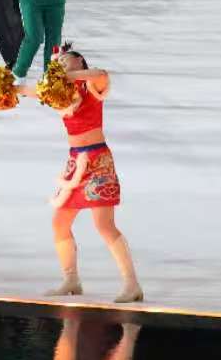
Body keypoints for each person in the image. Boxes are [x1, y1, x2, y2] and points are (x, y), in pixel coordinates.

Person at [19, 48, 141, 303]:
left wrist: (70, 75)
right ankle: (71, 279)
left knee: (103, 225)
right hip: (75, 163)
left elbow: (101, 73)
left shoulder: (92, 85)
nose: (64, 60)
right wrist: (9, 90)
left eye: (69, 58)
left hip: (99, 161)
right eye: (61, 59)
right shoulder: (59, 92)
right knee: (59, 224)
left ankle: (132, 285)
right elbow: (30, 91)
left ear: (80, 61)